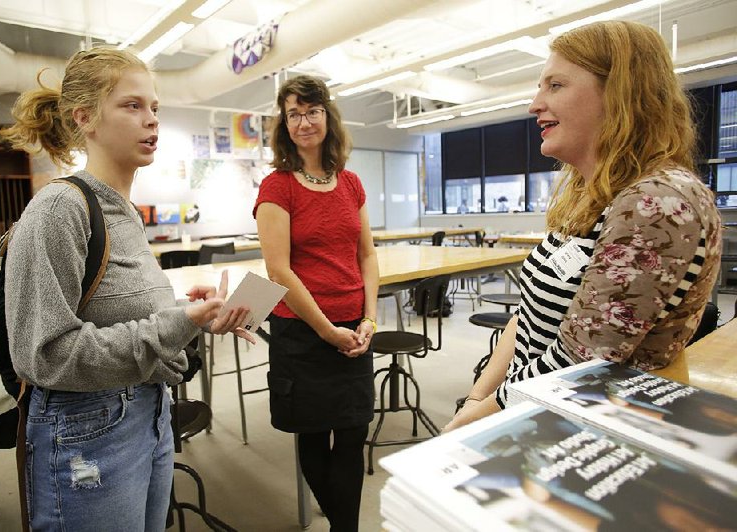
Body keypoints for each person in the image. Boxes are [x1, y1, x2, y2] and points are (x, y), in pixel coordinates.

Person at [2, 47, 252, 531]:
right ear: (85, 118)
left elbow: (120, 316)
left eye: (155, 107)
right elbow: (44, 355)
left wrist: (190, 315)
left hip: (148, 413)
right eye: (132, 106)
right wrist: (174, 325)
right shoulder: (59, 210)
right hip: (86, 432)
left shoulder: (126, 214)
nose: (152, 121)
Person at [445, 20, 722, 432]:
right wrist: (477, 398)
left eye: (555, 86)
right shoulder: (592, 195)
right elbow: (527, 315)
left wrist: (473, 422)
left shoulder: (657, 202)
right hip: (526, 407)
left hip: (584, 430)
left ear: (620, 92)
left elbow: (581, 363)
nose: (534, 104)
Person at [254, 75, 379, 531]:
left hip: (353, 328)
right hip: (304, 332)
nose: (304, 122)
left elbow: (366, 254)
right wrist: (328, 331)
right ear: (284, 124)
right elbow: (278, 272)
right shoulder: (277, 186)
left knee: (352, 436)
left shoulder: (351, 183)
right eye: (293, 114)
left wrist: (370, 317)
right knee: (313, 437)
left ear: (328, 116)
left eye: (312, 111)